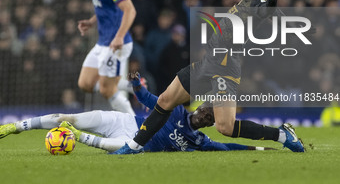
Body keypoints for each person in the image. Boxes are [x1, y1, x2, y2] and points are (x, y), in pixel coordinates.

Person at [114, 0, 307, 154]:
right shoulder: (249, 2)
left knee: (225, 127)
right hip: (208, 63)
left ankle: (282, 135)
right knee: (164, 100)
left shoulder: (258, 4)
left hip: (225, 68)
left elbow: (266, 11)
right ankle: (133, 146)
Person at [0, 73, 274, 153]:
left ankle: (77, 138)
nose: (206, 116)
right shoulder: (175, 108)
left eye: (211, 119)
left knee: (127, 147)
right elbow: (145, 98)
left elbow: (226, 146)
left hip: (132, 142)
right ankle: (15, 127)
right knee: (64, 118)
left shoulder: (199, 142)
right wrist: (136, 83)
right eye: (207, 111)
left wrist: (258, 150)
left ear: (211, 124)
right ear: (200, 105)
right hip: (124, 121)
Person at [77, 0, 136, 115]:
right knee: (85, 84)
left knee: (106, 90)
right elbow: (108, 8)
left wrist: (119, 37)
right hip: (103, 43)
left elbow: (130, 10)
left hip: (117, 43)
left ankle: (136, 127)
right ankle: (130, 85)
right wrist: (92, 21)